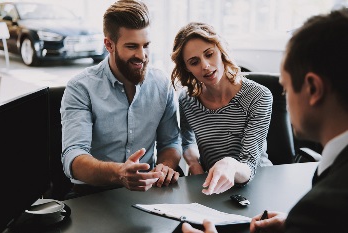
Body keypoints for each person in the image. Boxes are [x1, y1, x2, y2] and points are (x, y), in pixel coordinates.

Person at [182, 8, 348, 233]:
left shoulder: (317, 207)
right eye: (194, 61)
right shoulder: (320, 200)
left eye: (286, 88)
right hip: (211, 191)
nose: (285, 102)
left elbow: (250, 162)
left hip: (253, 188)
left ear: (313, 88)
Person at [60, 0, 182, 198]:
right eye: (132, 46)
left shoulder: (162, 84)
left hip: (147, 189)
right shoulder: (80, 87)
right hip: (93, 193)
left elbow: (171, 142)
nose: (142, 56)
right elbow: (73, 158)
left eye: (146, 45)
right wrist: (118, 174)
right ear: (109, 44)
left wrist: (165, 167)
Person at [170, 22, 273, 196]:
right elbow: (188, 141)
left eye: (209, 54)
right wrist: (194, 164)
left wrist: (229, 164)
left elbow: (249, 163)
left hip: (255, 184)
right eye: (194, 62)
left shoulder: (258, 96)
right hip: (211, 186)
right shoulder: (186, 99)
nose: (205, 66)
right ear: (187, 68)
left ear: (221, 50)